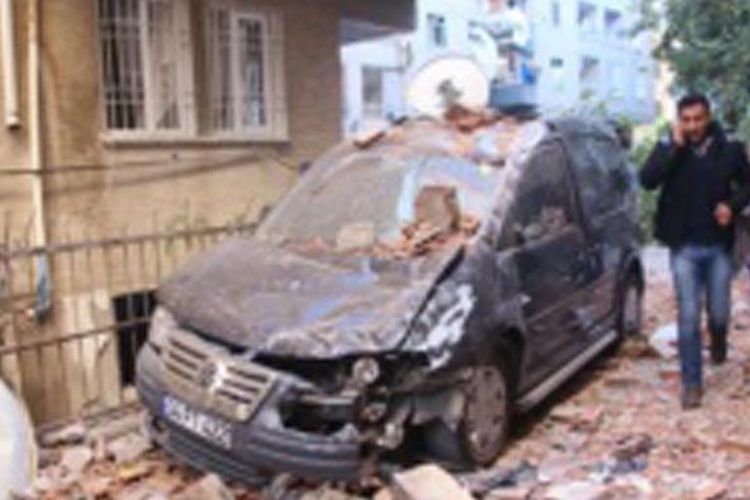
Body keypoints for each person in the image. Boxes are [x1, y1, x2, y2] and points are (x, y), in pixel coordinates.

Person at [640, 93, 750, 409]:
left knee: (718, 311)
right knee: (688, 315)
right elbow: (647, 180)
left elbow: (747, 184)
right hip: (683, 246)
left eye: (698, 119)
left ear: (708, 117)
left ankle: (718, 341)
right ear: (679, 121)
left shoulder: (729, 149)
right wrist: (672, 145)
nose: (692, 126)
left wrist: (732, 205)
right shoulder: (671, 149)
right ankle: (691, 383)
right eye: (686, 120)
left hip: (718, 245)